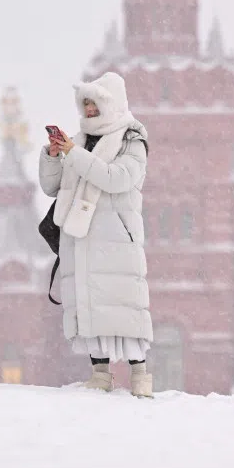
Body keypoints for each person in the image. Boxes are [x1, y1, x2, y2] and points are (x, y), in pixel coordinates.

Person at [39, 71, 153, 397]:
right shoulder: (81, 139)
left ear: (112, 103)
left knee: (125, 305)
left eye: (95, 104)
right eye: (85, 104)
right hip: (81, 235)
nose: (89, 110)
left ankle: (141, 376)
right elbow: (52, 186)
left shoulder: (132, 139)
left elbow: (116, 178)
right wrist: (52, 155)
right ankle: (100, 372)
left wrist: (73, 152)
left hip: (116, 236)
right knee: (88, 304)